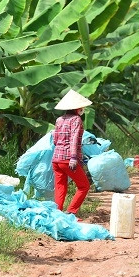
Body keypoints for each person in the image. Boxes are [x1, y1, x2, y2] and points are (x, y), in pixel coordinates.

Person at [52, 89, 93, 219]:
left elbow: (55, 140)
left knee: (60, 186)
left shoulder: (59, 119)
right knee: (84, 186)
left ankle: (57, 213)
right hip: (68, 159)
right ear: (77, 108)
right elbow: (74, 139)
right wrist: (74, 157)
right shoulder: (76, 119)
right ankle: (71, 212)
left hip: (56, 159)